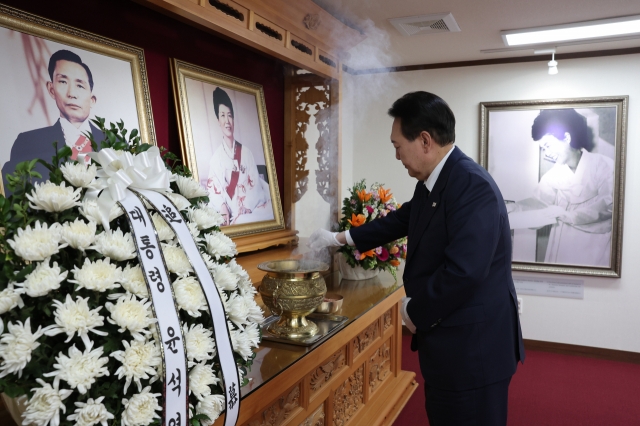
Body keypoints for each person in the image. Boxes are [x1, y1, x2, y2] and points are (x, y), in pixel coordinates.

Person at [310, 92, 524, 426]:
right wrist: (341, 238)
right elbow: (402, 219)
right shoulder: (436, 181)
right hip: (452, 346)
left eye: (398, 146)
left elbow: (464, 273)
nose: (396, 156)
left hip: (474, 353)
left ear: (424, 140)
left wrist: (412, 310)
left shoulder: (471, 185)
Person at [508, 109, 614, 267]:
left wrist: (570, 216)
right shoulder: (554, 175)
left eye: (548, 145)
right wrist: (514, 208)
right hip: (562, 242)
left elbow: (609, 205)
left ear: (566, 137)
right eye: (543, 148)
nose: (547, 153)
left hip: (596, 244)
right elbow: (538, 202)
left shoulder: (603, 165)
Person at [2, 49, 105, 194]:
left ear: (92, 99)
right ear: (51, 89)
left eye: (80, 85)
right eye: (63, 82)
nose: (72, 94)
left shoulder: (116, 145)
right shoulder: (27, 143)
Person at [206, 87, 269, 225]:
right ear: (218, 120)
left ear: (233, 119)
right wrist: (223, 208)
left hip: (249, 210)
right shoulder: (215, 159)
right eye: (222, 115)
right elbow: (213, 191)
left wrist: (245, 207)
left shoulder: (246, 153)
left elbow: (255, 187)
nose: (227, 120)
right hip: (231, 214)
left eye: (230, 115)